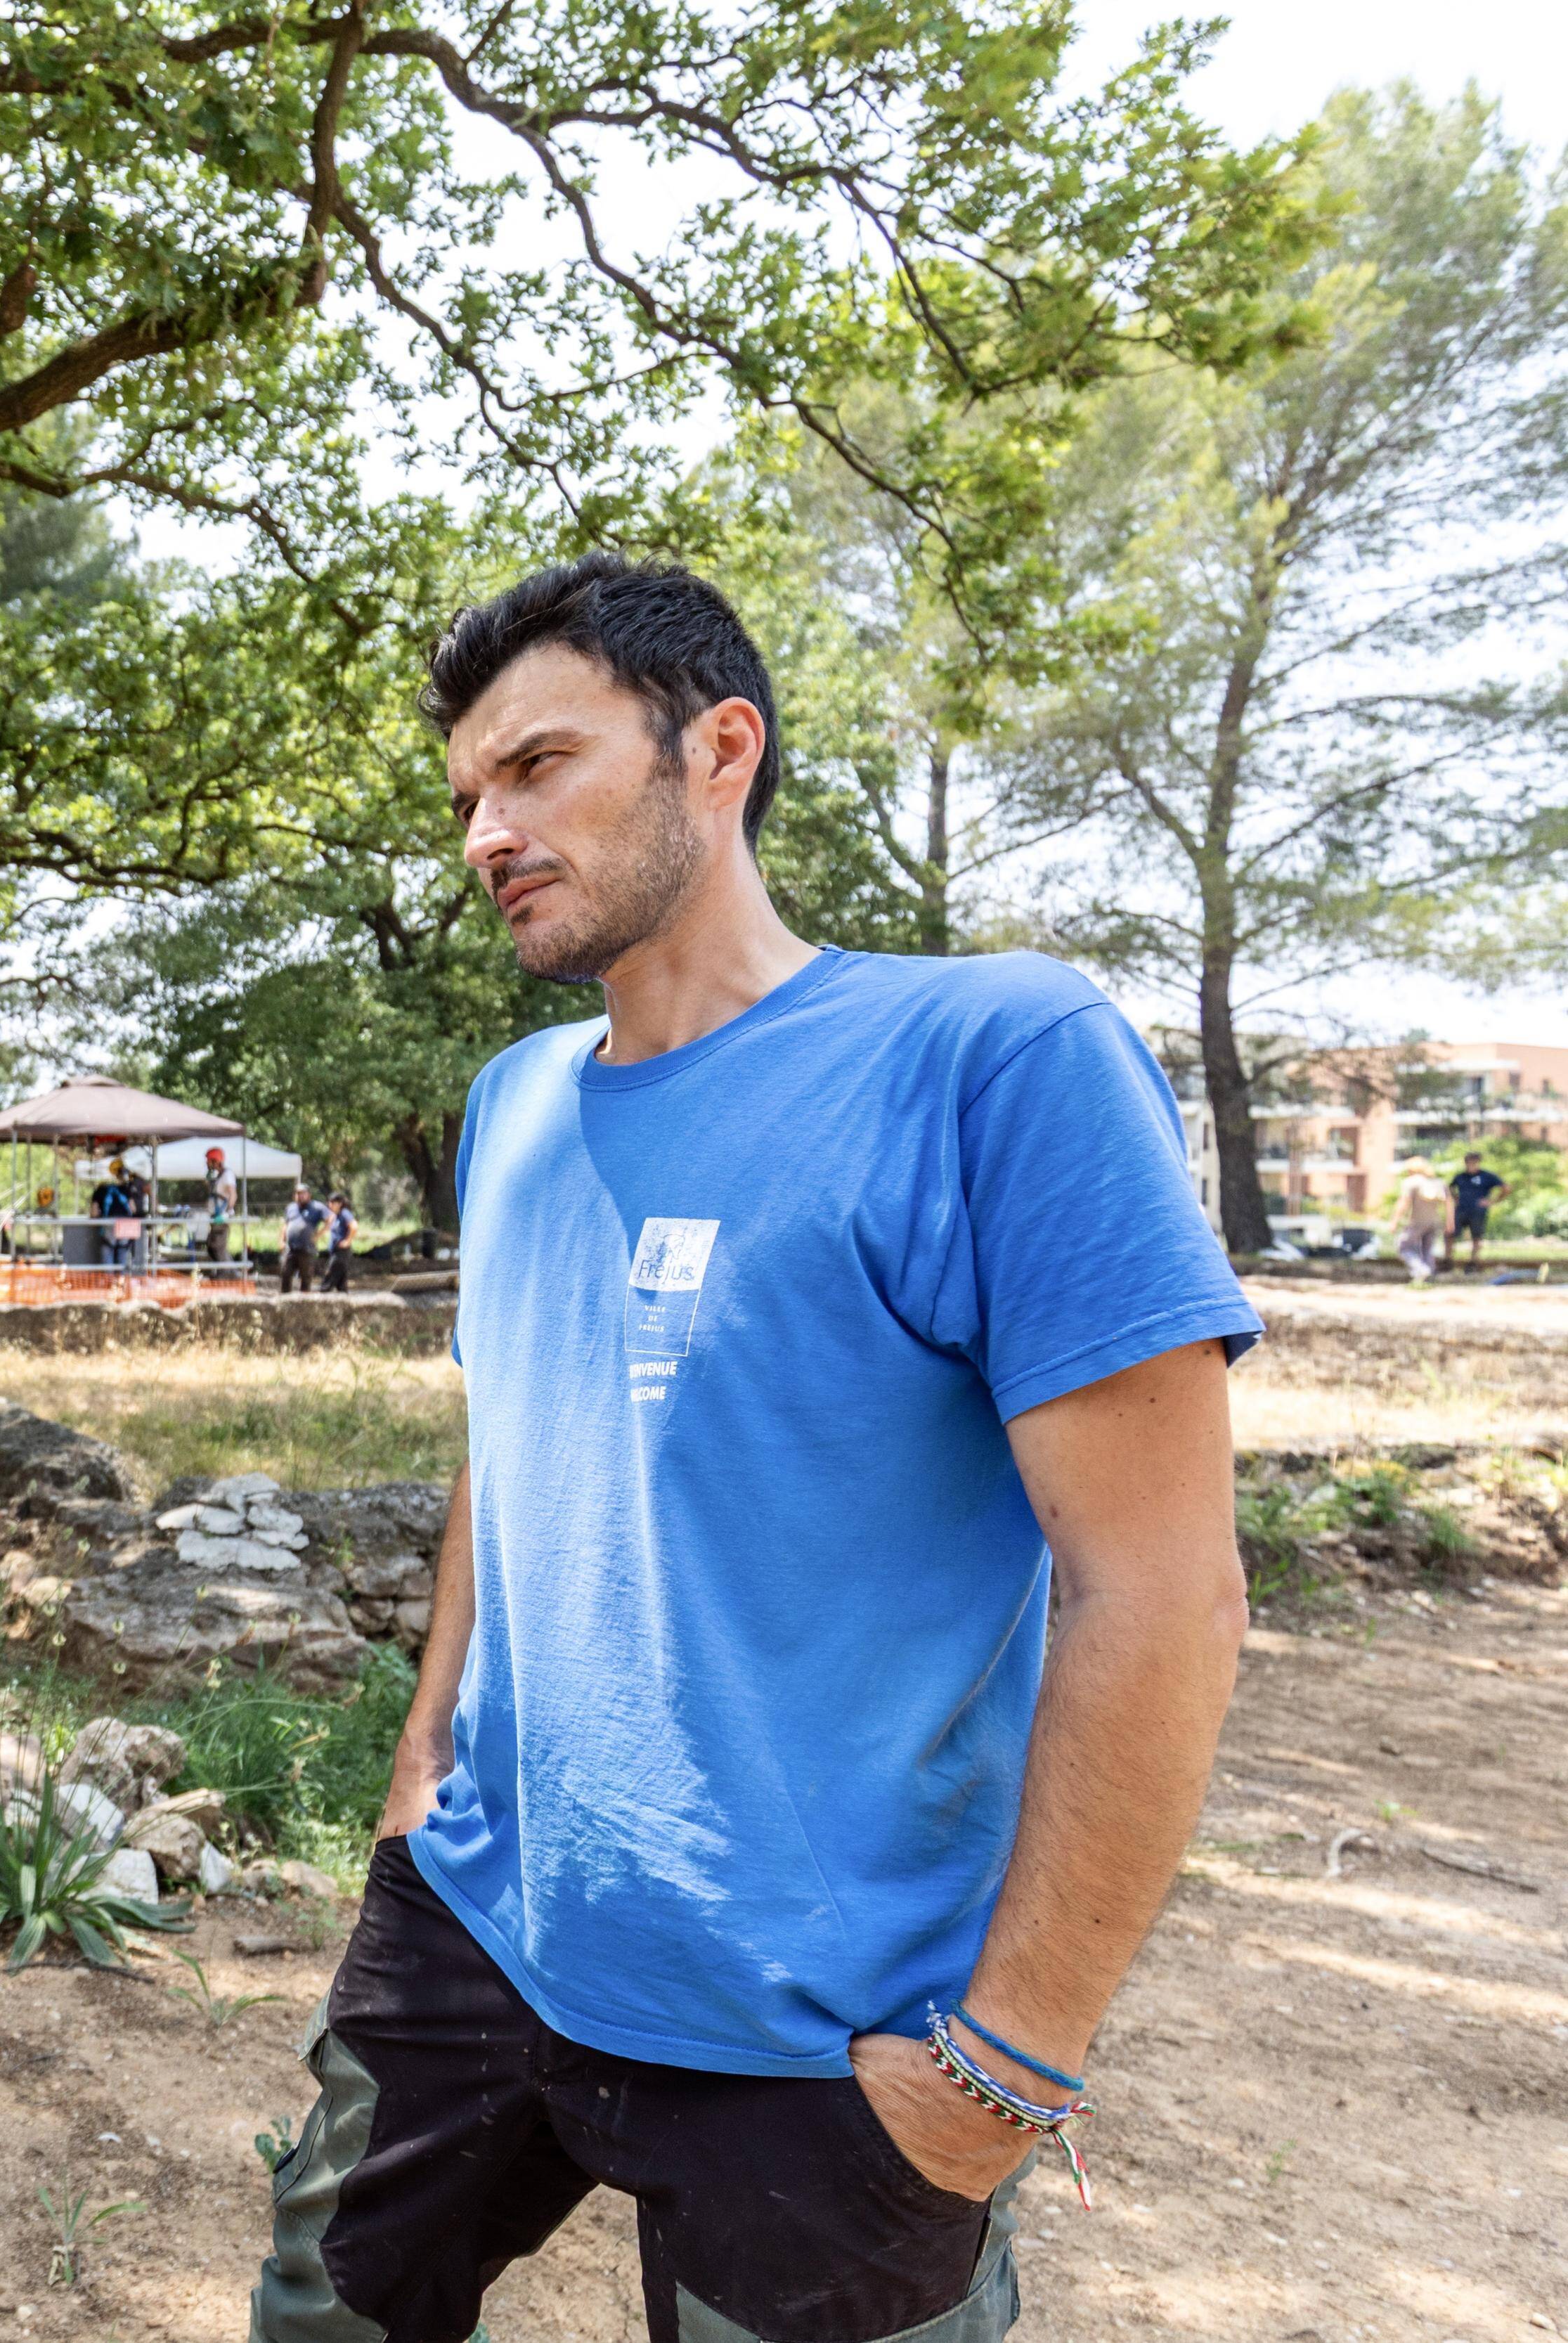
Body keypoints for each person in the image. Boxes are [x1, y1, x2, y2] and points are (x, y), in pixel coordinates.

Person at [249, 557, 1259, 2343]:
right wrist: (424, 1756)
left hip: (828, 2017)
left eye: (538, 766)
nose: (487, 829)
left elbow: (1160, 1584)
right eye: (468, 794)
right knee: (315, 2314)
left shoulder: (990, 1054)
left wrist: (1008, 2066)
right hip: (480, 1917)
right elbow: (516, 1422)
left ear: (719, 749)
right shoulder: (516, 1101)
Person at [1394, 1156, 1450, 1282]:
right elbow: (1448, 1203)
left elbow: (1404, 1202)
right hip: (1434, 1221)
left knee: (1404, 1247)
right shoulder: (1438, 1182)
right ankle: (1429, 1276)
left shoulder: (1411, 1182)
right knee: (1427, 1250)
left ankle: (1421, 1271)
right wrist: (1449, 1222)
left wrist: (1395, 1220)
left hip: (1417, 1221)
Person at [1449, 1149, 1504, 1267]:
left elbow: (1505, 1187)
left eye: (1474, 1162)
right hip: (1461, 1209)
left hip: (1478, 1212)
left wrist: (1491, 1201)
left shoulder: (1487, 1176)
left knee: (1476, 1236)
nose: (1471, 1164)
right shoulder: (1460, 1177)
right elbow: (1451, 1188)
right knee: (1451, 1233)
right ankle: (1448, 1260)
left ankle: (1474, 1261)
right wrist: (1456, 1199)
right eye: (1469, 1162)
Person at [278, 1181, 325, 1293]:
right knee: (285, 1273)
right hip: (291, 1248)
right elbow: (286, 1225)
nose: (300, 1196)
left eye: (303, 1193)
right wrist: (281, 1240)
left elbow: (331, 1219)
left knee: (306, 1277)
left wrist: (319, 1235)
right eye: (298, 1194)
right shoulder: (291, 1208)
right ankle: (285, 1299)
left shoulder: (317, 1207)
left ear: (309, 1195)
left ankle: (305, 1302)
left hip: (307, 1248)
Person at [203, 1145, 240, 1261]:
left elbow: (233, 1194)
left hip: (222, 1216)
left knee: (218, 1247)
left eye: (208, 1161)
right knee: (211, 1247)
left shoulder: (227, 1175)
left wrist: (228, 1213)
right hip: (215, 1217)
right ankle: (225, 1273)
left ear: (215, 1161)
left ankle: (229, 1274)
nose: (207, 1163)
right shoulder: (218, 1176)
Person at [320, 1194, 359, 1291]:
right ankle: (344, 1298)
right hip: (335, 1251)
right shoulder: (335, 1216)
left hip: (341, 1252)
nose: (330, 1205)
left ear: (340, 1204)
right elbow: (328, 1227)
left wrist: (347, 1241)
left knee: (329, 1276)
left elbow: (354, 1226)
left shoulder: (345, 1213)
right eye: (329, 1202)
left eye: (333, 1203)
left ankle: (322, 1295)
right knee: (341, 1283)